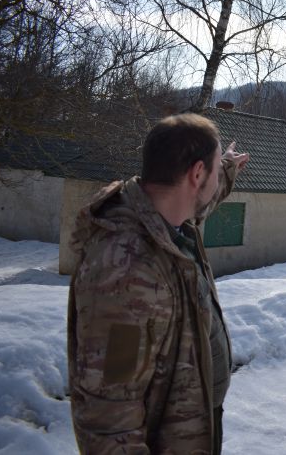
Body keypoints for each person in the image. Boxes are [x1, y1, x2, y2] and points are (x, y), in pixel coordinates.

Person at [67, 113, 249, 454]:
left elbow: (201, 201)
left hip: (194, 424)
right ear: (196, 174)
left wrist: (224, 168)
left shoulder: (169, 219)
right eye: (211, 165)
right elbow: (110, 416)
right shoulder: (126, 274)